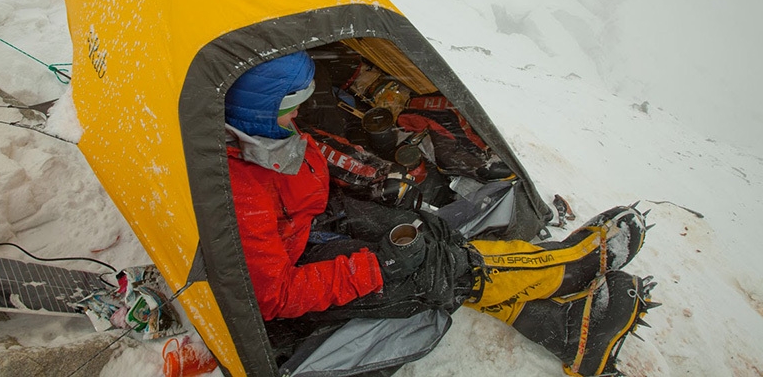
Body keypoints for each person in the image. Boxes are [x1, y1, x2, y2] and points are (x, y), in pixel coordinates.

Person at [225, 50, 658, 377]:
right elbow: (272, 296)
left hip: (321, 221)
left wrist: (380, 178)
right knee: (429, 270)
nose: (299, 110)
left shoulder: (273, 135)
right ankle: (565, 267)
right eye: (290, 102)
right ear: (259, 109)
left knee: (430, 234)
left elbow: (318, 152)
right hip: (300, 266)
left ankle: (561, 328)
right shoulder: (239, 191)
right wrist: (376, 266)